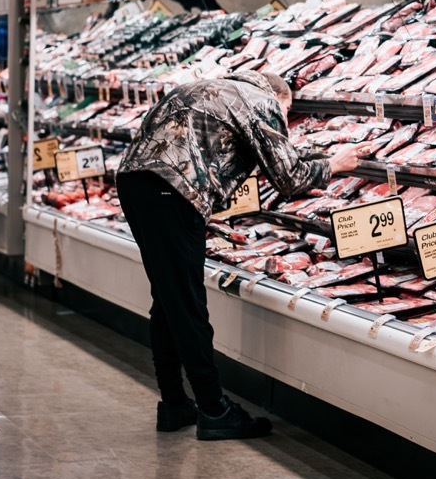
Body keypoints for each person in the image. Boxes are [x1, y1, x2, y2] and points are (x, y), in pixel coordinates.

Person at [117, 71, 359, 440]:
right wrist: (335, 164)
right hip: (172, 193)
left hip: (137, 184)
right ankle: (214, 410)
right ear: (280, 96)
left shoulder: (216, 88)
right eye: (288, 111)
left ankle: (173, 404)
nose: (286, 120)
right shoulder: (261, 102)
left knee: (168, 300)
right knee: (187, 303)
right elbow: (290, 177)